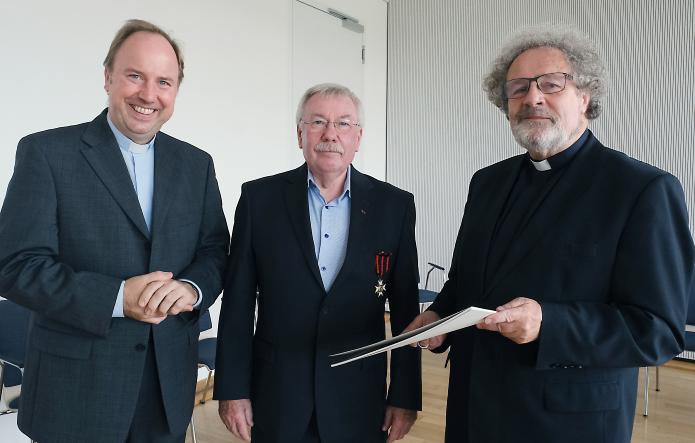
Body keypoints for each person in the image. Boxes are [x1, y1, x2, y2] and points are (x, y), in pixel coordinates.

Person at [405, 25, 695, 443]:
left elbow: (659, 330)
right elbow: (466, 281)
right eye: (518, 88)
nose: (533, 98)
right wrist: (440, 316)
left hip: (566, 423)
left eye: (551, 84)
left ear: (584, 96)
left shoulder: (642, 190)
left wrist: (550, 324)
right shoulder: (486, 182)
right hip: (474, 411)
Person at [0, 19, 229, 443]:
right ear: (108, 77)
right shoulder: (47, 154)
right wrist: (116, 299)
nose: (148, 94)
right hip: (75, 395)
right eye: (135, 76)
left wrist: (193, 289)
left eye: (164, 81)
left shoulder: (196, 165)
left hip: (166, 392)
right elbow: (16, 266)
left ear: (176, 91)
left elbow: (215, 250)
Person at [214, 83, 422, 443]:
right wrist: (232, 389)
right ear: (300, 134)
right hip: (278, 392)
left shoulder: (395, 207)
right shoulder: (258, 199)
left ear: (358, 138)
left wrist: (405, 396)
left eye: (343, 124)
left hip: (358, 396)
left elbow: (405, 313)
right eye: (318, 122)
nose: (330, 134)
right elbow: (238, 302)